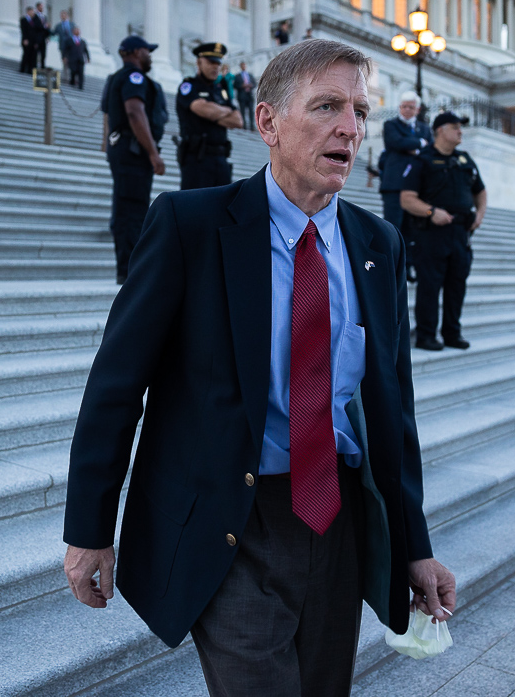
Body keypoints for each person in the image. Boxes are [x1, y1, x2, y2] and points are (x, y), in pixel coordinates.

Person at [62, 39, 456, 696]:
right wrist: (88, 528)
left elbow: (393, 407)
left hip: (338, 519)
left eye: (358, 110)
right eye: (327, 105)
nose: (349, 128)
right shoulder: (190, 226)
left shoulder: (377, 245)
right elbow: (116, 385)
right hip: (233, 521)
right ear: (268, 123)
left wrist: (414, 542)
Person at [400, 111, 487, 351]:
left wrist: (479, 215)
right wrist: (431, 212)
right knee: (430, 285)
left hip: (461, 233)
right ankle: (426, 335)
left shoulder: (465, 160)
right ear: (440, 130)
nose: (460, 131)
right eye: (455, 127)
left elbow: (481, 191)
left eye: (461, 127)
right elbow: (407, 199)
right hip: (431, 234)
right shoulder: (422, 160)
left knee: (457, 285)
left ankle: (452, 333)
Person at [105, 35, 167, 282]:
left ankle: (129, 269)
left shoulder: (118, 78)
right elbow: (134, 111)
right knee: (132, 210)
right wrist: (153, 153)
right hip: (132, 152)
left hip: (126, 151)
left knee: (129, 208)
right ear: (135, 52)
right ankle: (129, 271)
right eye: (147, 51)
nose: (149, 55)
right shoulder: (134, 77)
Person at [176, 42, 243, 190]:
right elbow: (202, 109)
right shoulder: (189, 86)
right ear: (199, 62)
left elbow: (238, 120)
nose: (216, 67)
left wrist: (212, 112)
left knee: (221, 208)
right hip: (197, 159)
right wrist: (225, 111)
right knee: (195, 209)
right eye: (211, 62)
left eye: (218, 63)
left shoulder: (221, 91)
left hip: (221, 158)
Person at [380, 91, 430, 231]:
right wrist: (420, 143)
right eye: (404, 106)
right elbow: (398, 142)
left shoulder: (425, 129)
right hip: (394, 185)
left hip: (416, 187)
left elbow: (430, 149)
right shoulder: (390, 125)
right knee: (393, 228)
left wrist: (411, 146)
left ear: (418, 109)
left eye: (411, 107)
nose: (407, 110)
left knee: (412, 230)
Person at [62, 25, 90, 89]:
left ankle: (80, 86)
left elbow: (86, 50)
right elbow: (65, 49)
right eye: (76, 30)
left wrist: (88, 58)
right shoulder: (69, 40)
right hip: (72, 59)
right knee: (73, 71)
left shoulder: (83, 42)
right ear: (73, 31)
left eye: (78, 30)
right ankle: (72, 82)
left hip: (80, 59)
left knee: (81, 73)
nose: (77, 31)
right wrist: (64, 57)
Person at [234, 61, 256, 130]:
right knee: (242, 111)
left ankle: (252, 126)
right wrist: (241, 86)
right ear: (240, 67)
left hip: (249, 95)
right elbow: (235, 85)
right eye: (242, 65)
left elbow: (254, 83)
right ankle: (244, 125)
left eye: (244, 65)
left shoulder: (250, 75)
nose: (244, 67)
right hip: (242, 96)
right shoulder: (237, 76)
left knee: (251, 111)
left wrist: (251, 85)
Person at [19, 6, 39, 73]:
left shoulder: (34, 21)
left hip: (33, 41)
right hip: (26, 40)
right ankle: (23, 68)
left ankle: (30, 70)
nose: (33, 13)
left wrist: (36, 42)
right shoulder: (23, 20)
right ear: (28, 12)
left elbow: (36, 31)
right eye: (31, 11)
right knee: (26, 54)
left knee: (33, 56)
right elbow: (23, 31)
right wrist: (25, 39)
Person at [34, 1, 51, 69]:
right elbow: (36, 27)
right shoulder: (34, 17)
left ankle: (42, 67)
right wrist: (44, 26)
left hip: (43, 38)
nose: (42, 8)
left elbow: (46, 29)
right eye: (41, 6)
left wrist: (47, 36)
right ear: (38, 7)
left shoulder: (44, 17)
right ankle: (34, 66)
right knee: (35, 53)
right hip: (37, 38)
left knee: (43, 54)